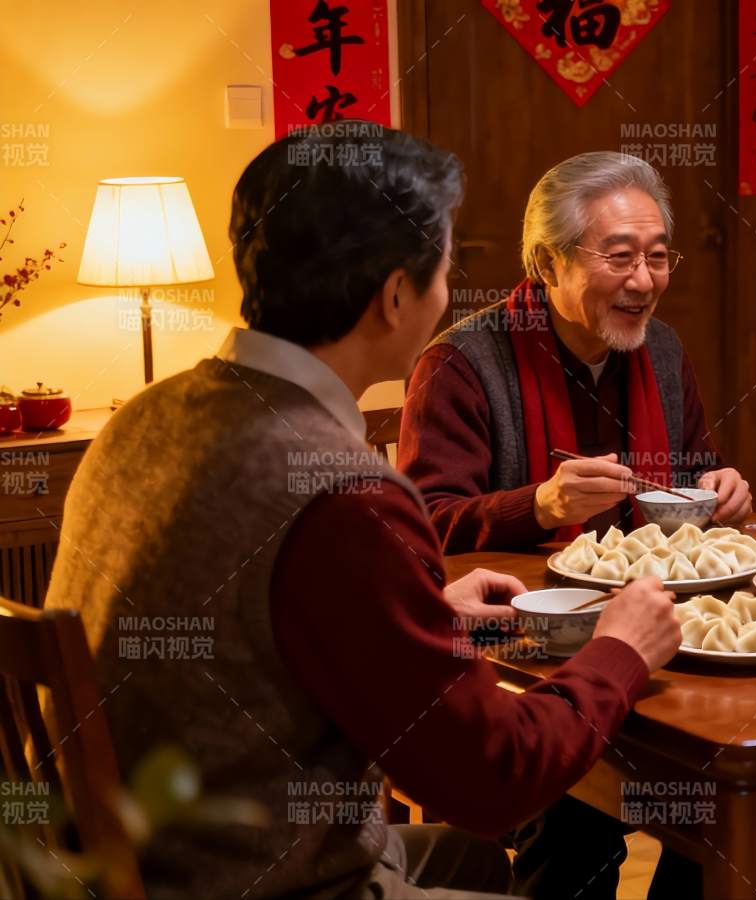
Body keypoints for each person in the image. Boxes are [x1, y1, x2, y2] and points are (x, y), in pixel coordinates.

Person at [43, 122, 683, 898]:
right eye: (445, 267)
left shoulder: (143, 417)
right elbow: (494, 780)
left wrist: (420, 609)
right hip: (269, 880)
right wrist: (620, 647)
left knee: (477, 863)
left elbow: (249, 615)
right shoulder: (343, 491)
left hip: (114, 867)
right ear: (395, 296)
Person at [400, 151, 752, 553]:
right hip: (524, 590)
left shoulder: (662, 348)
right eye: (620, 257)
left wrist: (720, 487)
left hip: (654, 580)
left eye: (656, 257)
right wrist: (541, 506)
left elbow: (694, 470)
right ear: (547, 263)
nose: (643, 282)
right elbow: (425, 523)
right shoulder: (459, 364)